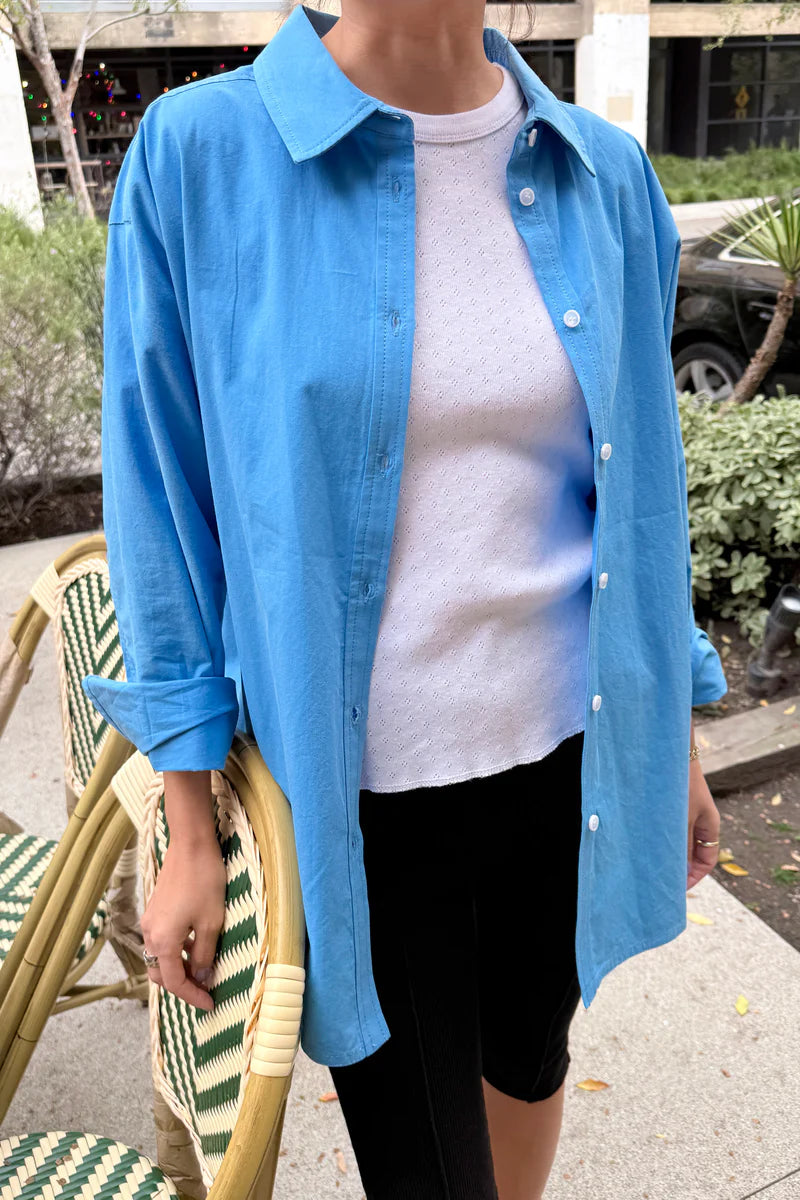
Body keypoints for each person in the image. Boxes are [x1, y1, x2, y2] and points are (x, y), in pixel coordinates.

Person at [81, 2, 729, 1196]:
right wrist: (188, 824)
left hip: (569, 763)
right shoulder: (202, 156)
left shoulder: (601, 173)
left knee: (529, 1062)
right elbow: (161, 504)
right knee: (427, 1167)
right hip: (364, 804)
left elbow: (645, 492)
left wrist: (671, 736)